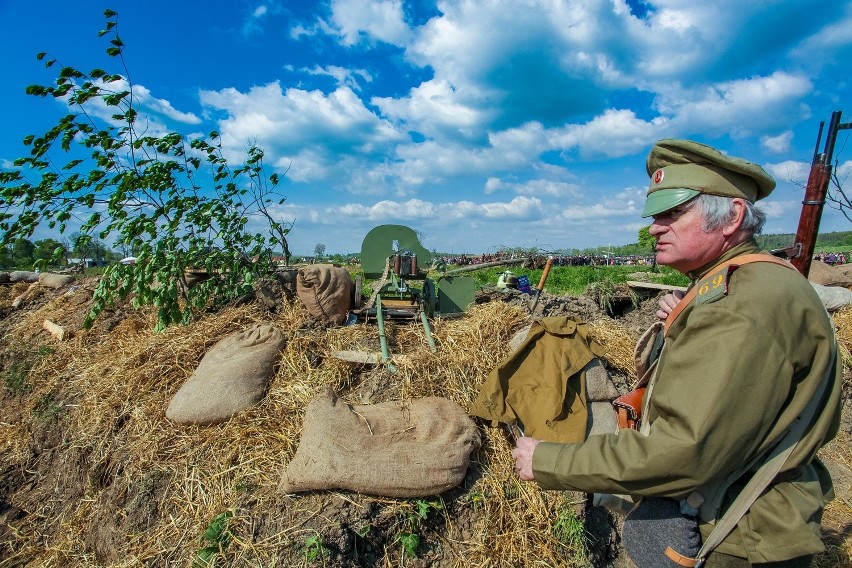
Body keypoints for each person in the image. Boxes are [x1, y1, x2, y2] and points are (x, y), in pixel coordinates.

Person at [512, 139, 842, 567]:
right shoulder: (738, 286)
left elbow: (685, 448)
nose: (654, 228)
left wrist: (549, 460)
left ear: (733, 218)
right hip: (734, 515)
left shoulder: (740, 304)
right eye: (655, 216)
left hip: (737, 536)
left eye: (673, 213)